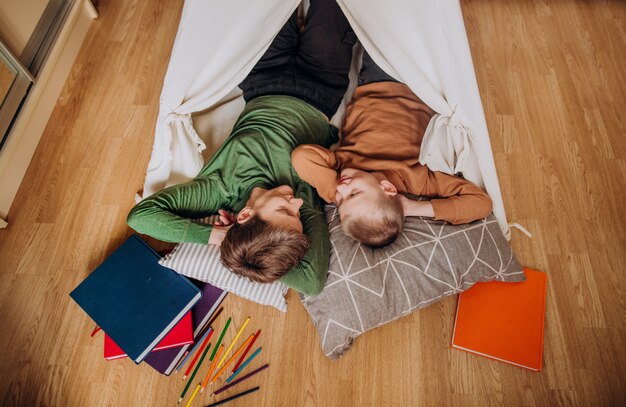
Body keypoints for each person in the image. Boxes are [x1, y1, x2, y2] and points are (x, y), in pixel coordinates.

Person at [127, 0, 356, 295]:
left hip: (263, 78)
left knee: (261, 9)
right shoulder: (302, 201)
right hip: (321, 88)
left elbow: (141, 217)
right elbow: (311, 283)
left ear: (246, 216)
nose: (297, 205)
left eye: (285, 210)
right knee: (334, 11)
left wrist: (220, 238)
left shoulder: (220, 189)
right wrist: (253, 251)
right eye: (298, 213)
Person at [291, 52, 493, 247]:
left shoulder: (343, 169)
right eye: (353, 194)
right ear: (387, 188)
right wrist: (414, 208)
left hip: (376, 80)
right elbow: (481, 204)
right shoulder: (419, 181)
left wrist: (333, 190)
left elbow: (302, 157)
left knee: (386, 23)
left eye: (340, 202)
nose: (343, 189)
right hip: (423, 87)